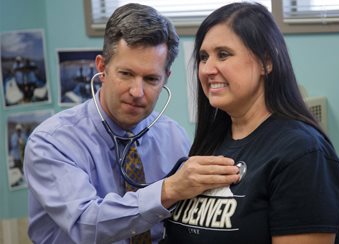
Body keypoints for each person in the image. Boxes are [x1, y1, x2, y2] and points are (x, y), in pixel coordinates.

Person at [23, 3, 239, 244]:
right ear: (102, 68)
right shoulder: (52, 141)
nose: (137, 92)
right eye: (125, 74)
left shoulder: (174, 137)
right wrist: (168, 190)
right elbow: (85, 224)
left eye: (151, 79)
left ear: (165, 78)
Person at [164, 2, 339, 244]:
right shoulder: (211, 143)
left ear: (266, 61)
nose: (208, 69)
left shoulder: (303, 153)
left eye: (224, 54)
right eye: (203, 57)